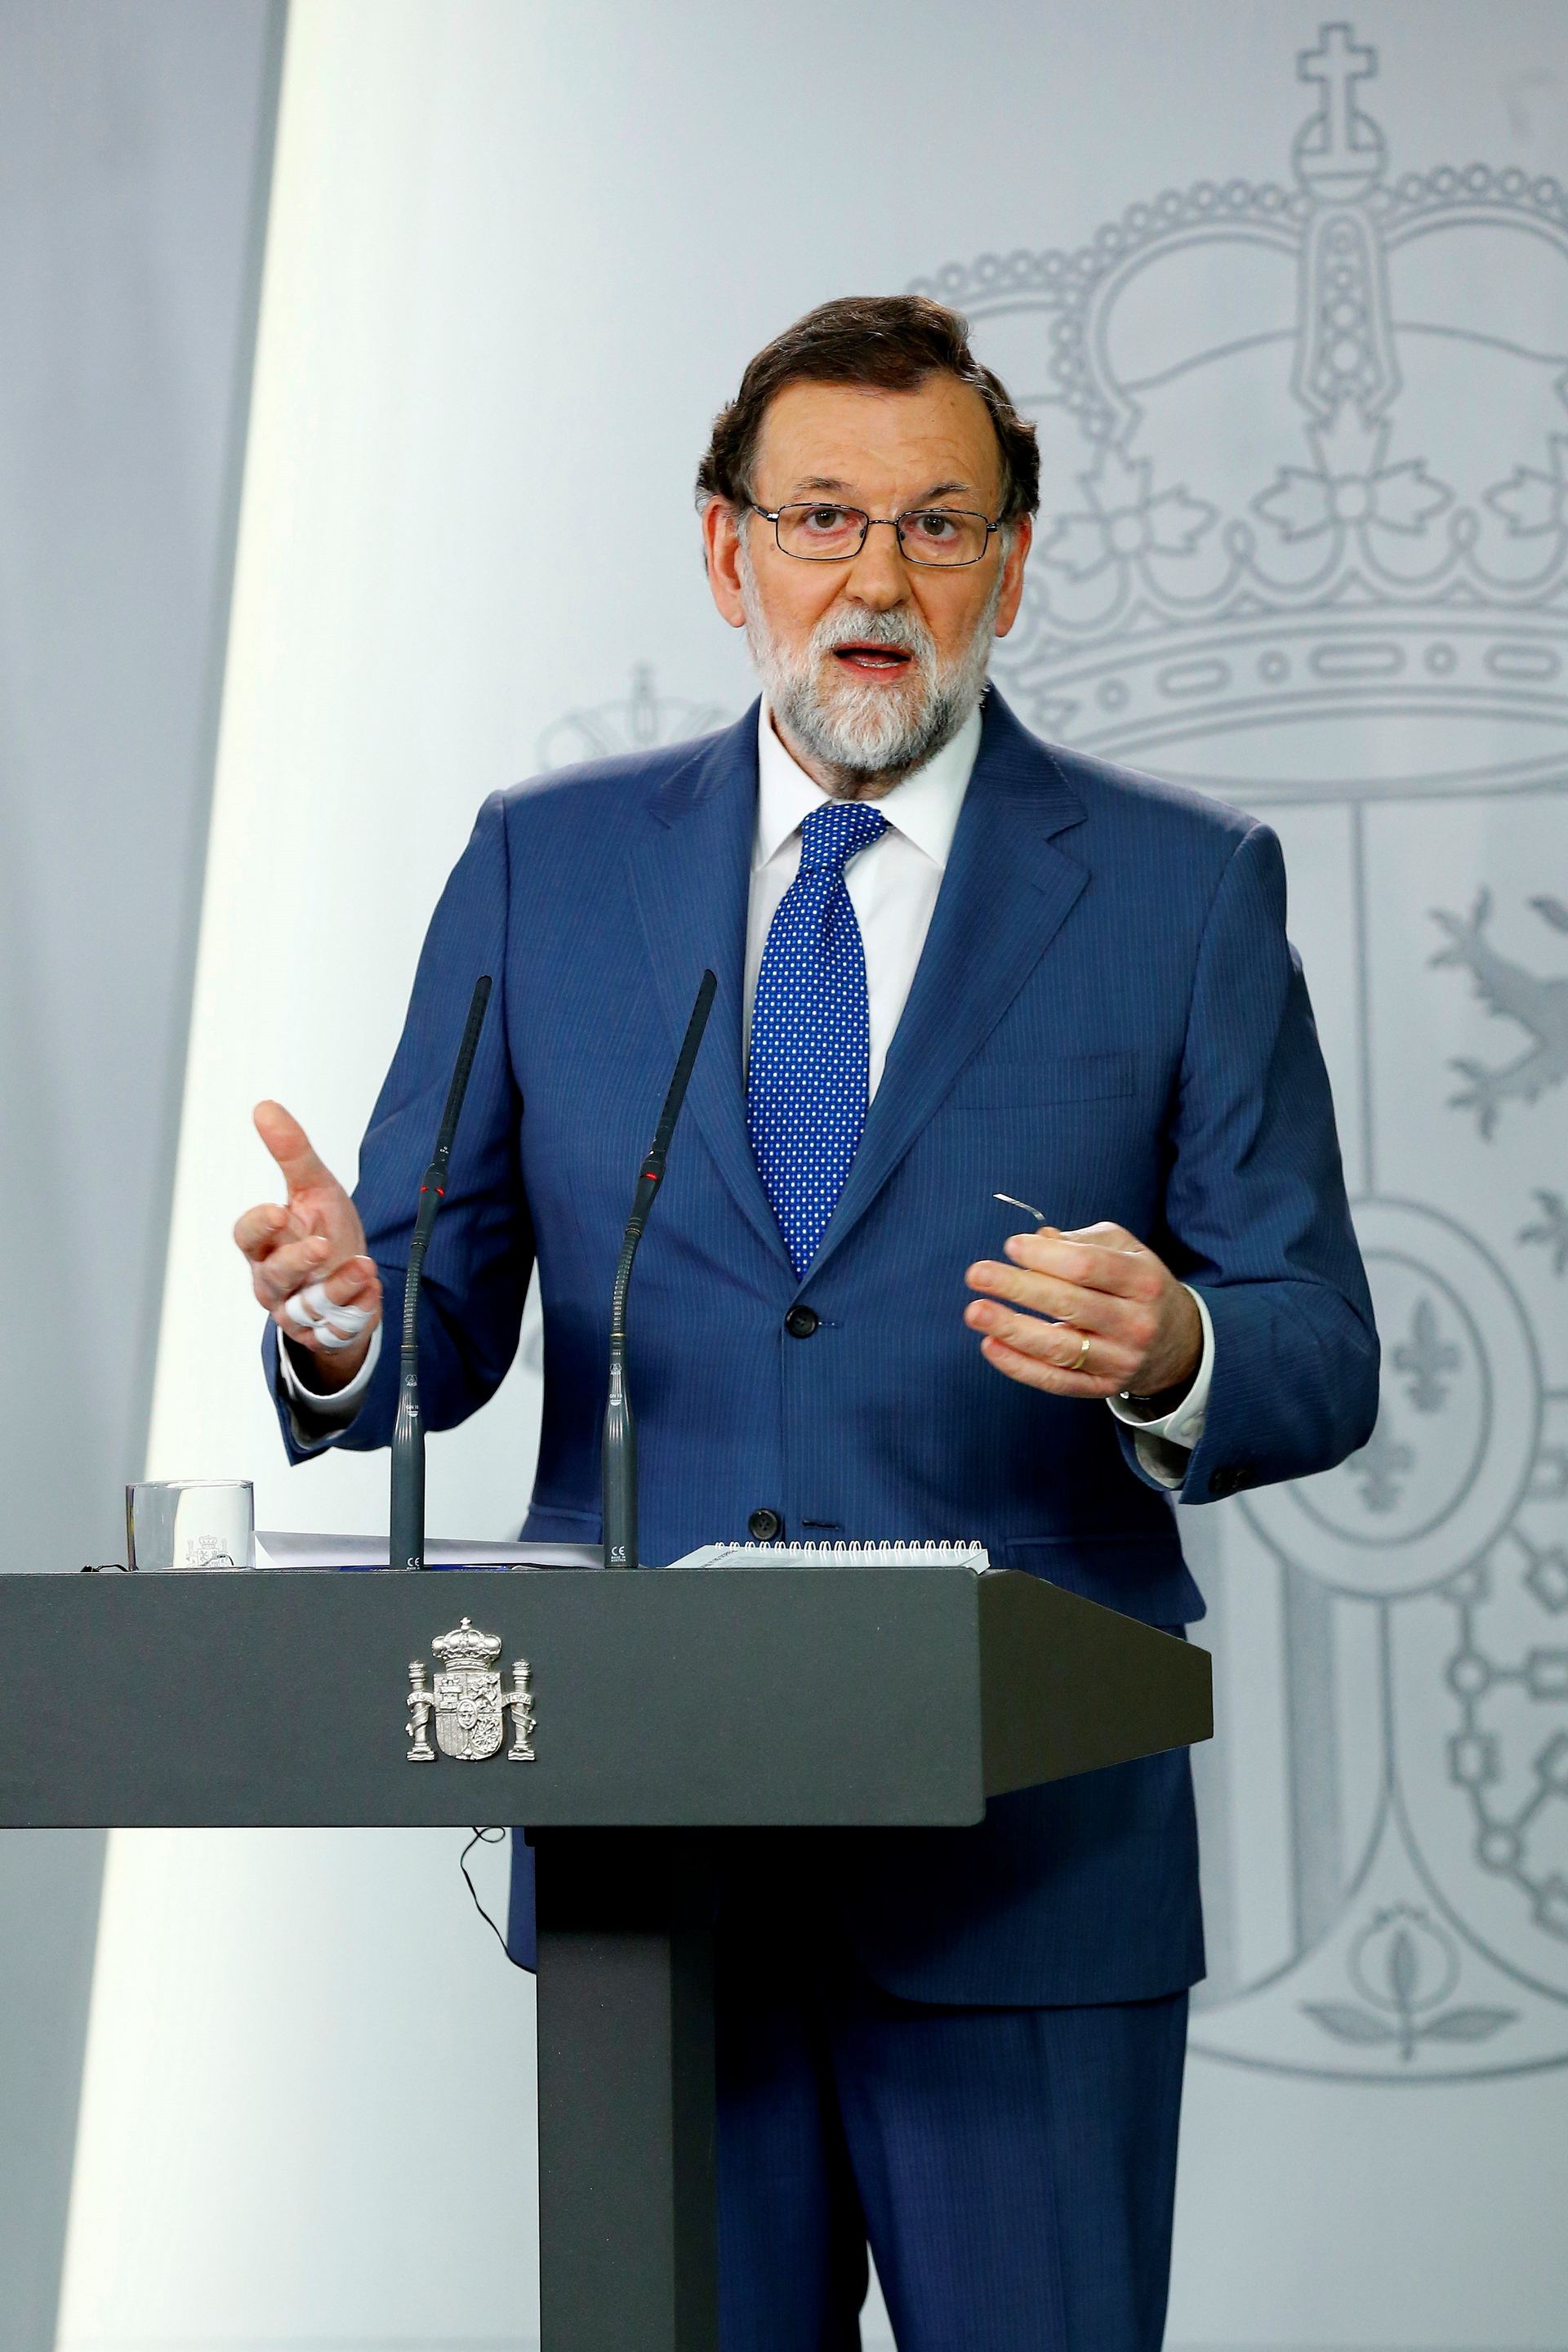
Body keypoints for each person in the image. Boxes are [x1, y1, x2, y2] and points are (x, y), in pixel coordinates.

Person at [234, 295, 1378, 2351]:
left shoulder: (1182, 890)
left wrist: (1179, 1348)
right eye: (825, 517)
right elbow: (437, 1310)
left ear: (1014, 563)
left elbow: (1321, 1344)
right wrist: (342, 1324)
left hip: (1029, 1878)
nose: (877, 579)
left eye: (939, 528)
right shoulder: (545, 869)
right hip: (658, 1872)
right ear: (725, 547)